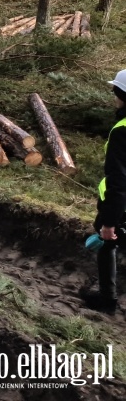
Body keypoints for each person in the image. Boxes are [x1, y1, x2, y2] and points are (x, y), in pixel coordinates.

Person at [80, 69, 126, 314]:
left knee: (108, 244)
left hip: (120, 206)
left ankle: (107, 300)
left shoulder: (121, 130)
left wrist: (109, 223)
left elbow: (118, 181)